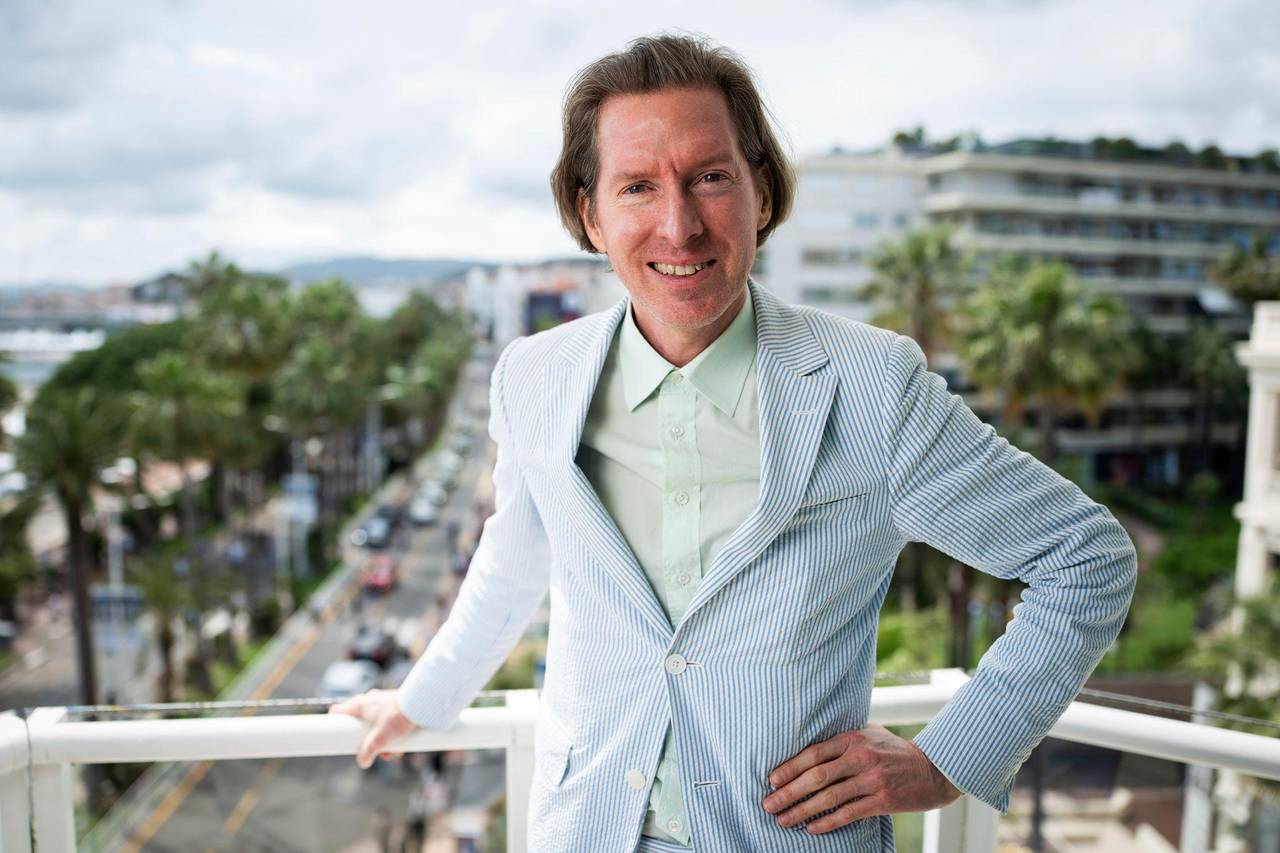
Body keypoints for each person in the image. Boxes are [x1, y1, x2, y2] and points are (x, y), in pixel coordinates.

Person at [331, 33, 1137, 852]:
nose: (678, 226)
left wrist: (947, 758)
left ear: (762, 191)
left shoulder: (871, 385)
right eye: (637, 187)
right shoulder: (532, 378)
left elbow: (1085, 557)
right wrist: (419, 702)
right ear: (592, 214)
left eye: (710, 178)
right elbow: (511, 565)